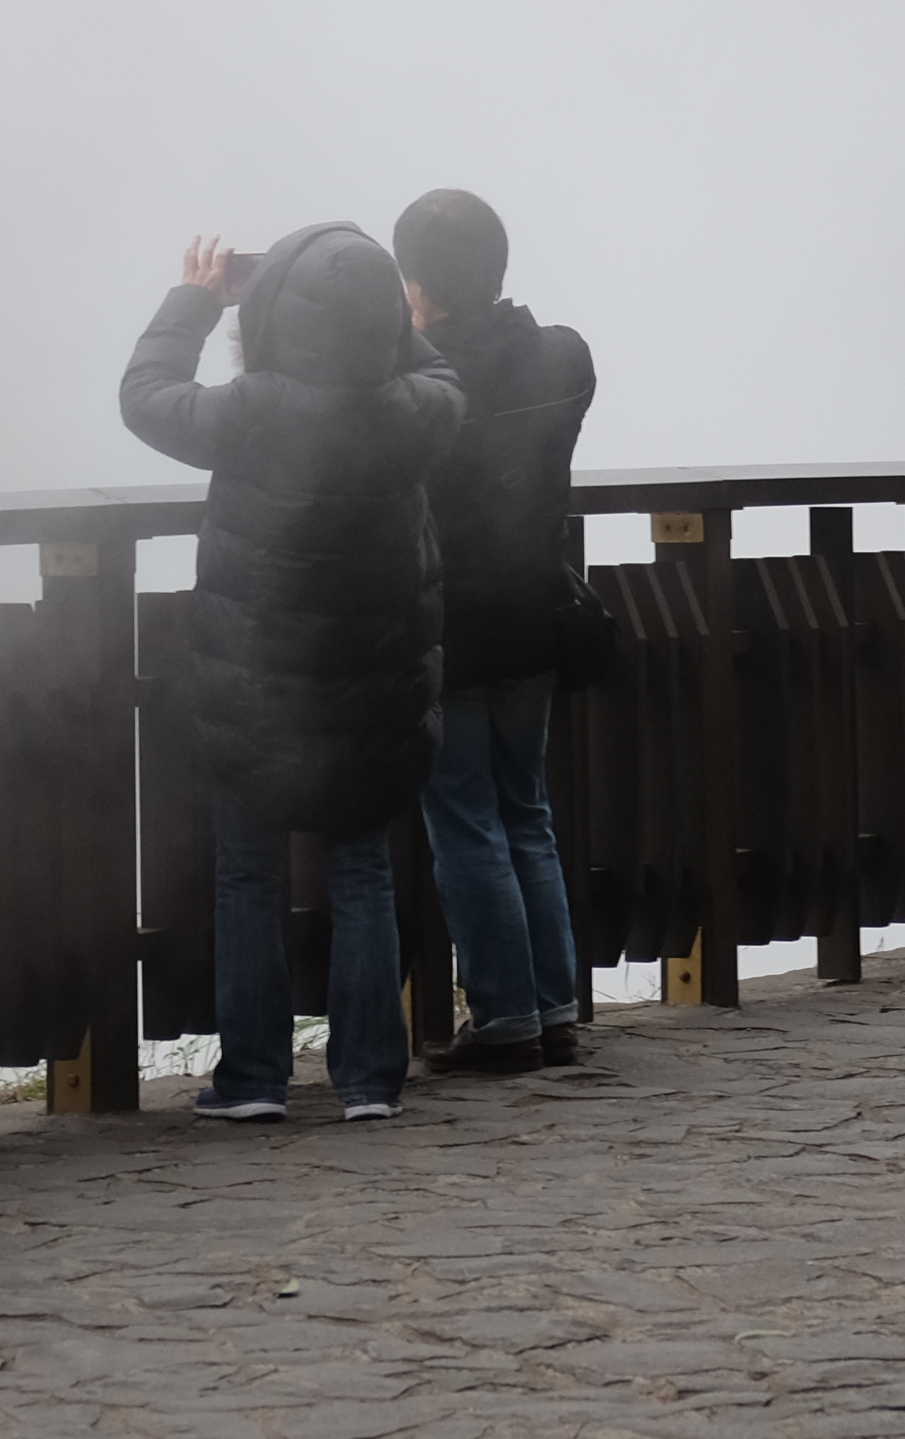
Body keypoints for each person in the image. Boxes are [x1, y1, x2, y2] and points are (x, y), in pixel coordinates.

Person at [118, 224, 462, 1121]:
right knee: (362, 872)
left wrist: (196, 299)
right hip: (374, 692)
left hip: (259, 694)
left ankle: (255, 1079)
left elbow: (146, 394)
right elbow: (442, 376)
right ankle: (368, 1081)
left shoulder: (254, 407)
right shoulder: (415, 409)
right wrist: (373, 307)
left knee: (248, 875)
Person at [397, 188, 597, 1074]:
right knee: (528, 811)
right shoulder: (562, 358)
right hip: (535, 616)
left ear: (415, 281)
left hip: (448, 623)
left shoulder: (417, 380)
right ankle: (554, 1009)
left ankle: (507, 1018)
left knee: (467, 820)